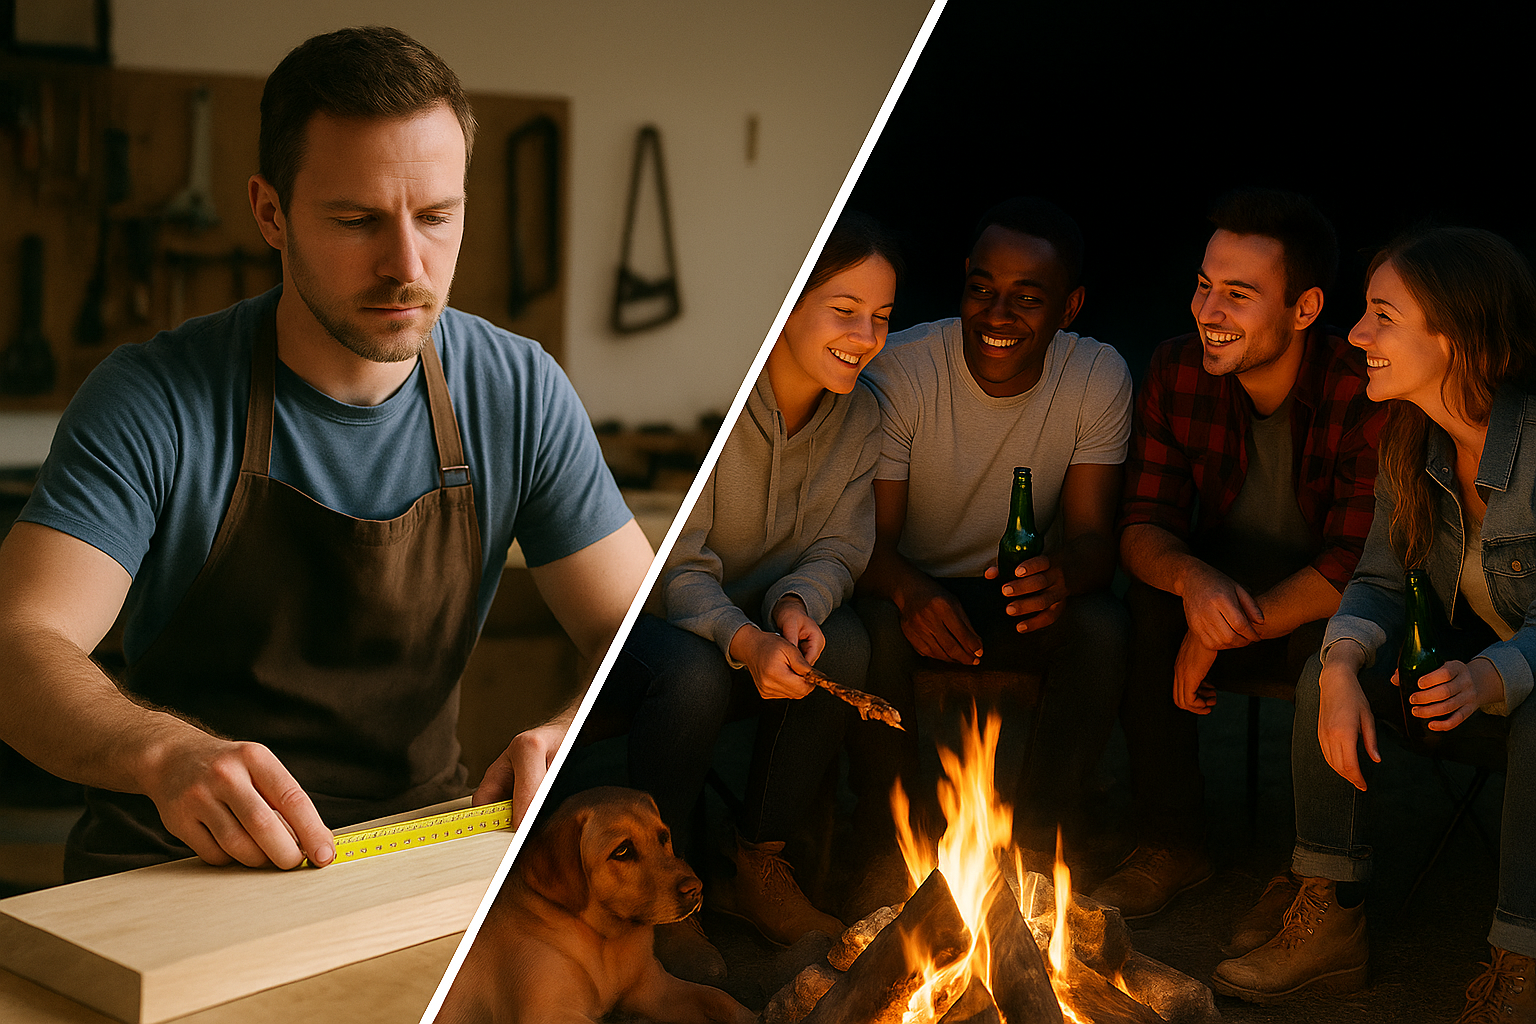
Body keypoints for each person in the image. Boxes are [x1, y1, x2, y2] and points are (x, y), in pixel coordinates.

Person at [0, 27, 653, 881]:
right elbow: (18, 642)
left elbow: (640, 626)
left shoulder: (518, 391)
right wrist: (160, 755)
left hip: (414, 855)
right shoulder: (153, 397)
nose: (406, 265)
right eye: (357, 221)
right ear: (270, 213)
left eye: (436, 218)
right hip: (170, 863)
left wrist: (575, 722)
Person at [1211, 226, 1536, 1019]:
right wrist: (1343, 664)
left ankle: (1520, 959)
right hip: (1463, 663)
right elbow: (1380, 579)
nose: (1356, 335)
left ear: (1455, 337)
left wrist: (1494, 674)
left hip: (1512, 676)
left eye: (1382, 316)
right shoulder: (1409, 437)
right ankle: (1330, 916)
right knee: (1332, 662)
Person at [584, 212, 900, 949]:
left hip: (755, 622)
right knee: (693, 675)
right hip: (647, 619)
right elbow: (667, 566)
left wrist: (796, 604)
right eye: (845, 311)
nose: (866, 337)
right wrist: (744, 639)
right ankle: (665, 889)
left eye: (883, 318)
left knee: (845, 643)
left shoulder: (862, 418)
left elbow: (839, 548)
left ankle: (755, 864)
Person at [1097, 188, 1386, 921]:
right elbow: (1142, 525)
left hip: (1325, 605)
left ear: (1306, 309)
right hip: (1227, 585)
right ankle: (1172, 843)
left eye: (1238, 294)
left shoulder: (1364, 390)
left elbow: (1357, 560)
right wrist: (1194, 584)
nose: (1208, 312)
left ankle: (1314, 880)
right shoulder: (1177, 370)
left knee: (1333, 641)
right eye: (1203, 286)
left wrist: (1230, 627)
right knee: (1149, 603)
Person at [856, 196, 1131, 859]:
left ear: (1069, 307)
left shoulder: (1096, 376)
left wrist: (1059, 576)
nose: (997, 315)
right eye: (982, 289)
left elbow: (1097, 542)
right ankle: (898, 847)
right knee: (868, 631)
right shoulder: (904, 368)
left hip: (1015, 594)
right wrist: (908, 591)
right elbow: (867, 543)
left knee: (1100, 628)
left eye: (1027, 298)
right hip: (911, 590)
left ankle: (1038, 846)